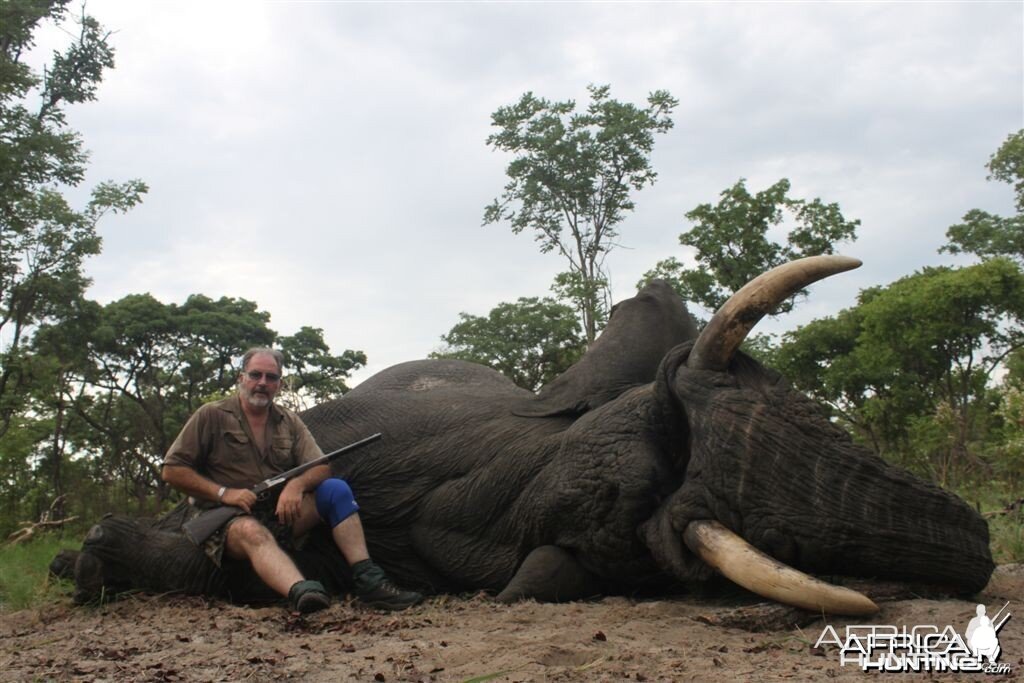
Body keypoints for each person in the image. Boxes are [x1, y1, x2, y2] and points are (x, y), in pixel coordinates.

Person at [162, 347, 422, 614]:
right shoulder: (210, 415)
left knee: (335, 490)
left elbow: (321, 466)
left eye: (271, 377)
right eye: (256, 375)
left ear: (280, 384)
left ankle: (369, 580)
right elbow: (172, 470)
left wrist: (296, 486)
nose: (263, 383)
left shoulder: (289, 421)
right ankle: (302, 591)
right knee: (251, 531)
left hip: (277, 513)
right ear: (241, 378)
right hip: (227, 520)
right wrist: (224, 493)